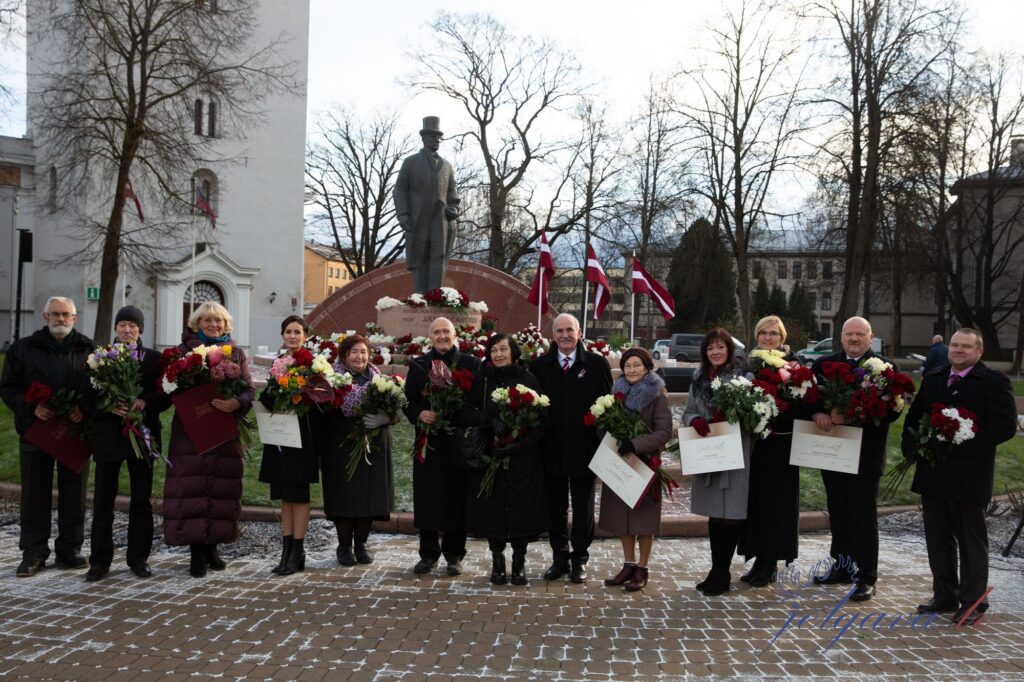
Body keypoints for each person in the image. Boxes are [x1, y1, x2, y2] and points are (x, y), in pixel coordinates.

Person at [902, 328, 1016, 625]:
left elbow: (1005, 426)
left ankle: (974, 601)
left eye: (966, 346)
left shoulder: (993, 382)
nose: (959, 350)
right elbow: (915, 418)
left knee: (970, 542)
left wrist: (967, 444)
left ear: (979, 352)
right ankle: (945, 595)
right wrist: (911, 446)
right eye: (955, 345)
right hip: (934, 473)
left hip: (970, 474)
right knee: (937, 539)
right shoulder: (935, 378)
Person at [0, 296, 92, 577]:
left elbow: (98, 388)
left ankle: (69, 550)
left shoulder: (89, 349)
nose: (60, 319)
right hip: (36, 431)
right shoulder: (23, 349)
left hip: (74, 432)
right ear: (45, 317)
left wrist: (83, 409)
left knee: (74, 493)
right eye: (55, 314)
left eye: (66, 314)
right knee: (34, 494)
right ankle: (33, 552)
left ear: (74, 318)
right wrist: (30, 406)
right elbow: (9, 387)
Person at [810, 316, 899, 601]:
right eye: (849, 334)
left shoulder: (884, 369)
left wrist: (856, 415)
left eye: (861, 334)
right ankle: (842, 567)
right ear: (841, 337)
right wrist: (818, 413)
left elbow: (893, 412)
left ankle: (867, 576)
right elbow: (808, 400)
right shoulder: (823, 365)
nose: (854, 339)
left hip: (865, 455)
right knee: (839, 512)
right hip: (833, 451)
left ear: (870, 338)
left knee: (862, 516)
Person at [162, 302, 255, 578]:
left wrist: (236, 403)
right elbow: (170, 387)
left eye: (219, 321)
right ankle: (196, 553)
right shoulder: (183, 353)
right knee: (192, 489)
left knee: (220, 490)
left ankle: (213, 546)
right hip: (190, 433)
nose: (214, 325)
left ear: (227, 326)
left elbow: (249, 389)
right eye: (207, 321)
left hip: (224, 431)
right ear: (196, 324)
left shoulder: (235, 354)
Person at [85, 306, 169, 581]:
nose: (127, 329)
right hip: (108, 436)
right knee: (103, 500)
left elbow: (166, 395)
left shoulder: (155, 359)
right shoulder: (100, 359)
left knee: (141, 499)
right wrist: (108, 406)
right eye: (122, 324)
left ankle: (138, 558)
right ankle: (99, 561)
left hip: (142, 434)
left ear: (140, 330)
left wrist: (146, 401)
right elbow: (86, 397)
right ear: (116, 328)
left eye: (132, 325)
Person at [530, 313, 613, 583]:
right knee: (556, 507)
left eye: (570, 330)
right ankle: (560, 558)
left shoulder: (597, 365)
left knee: (582, 506)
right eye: (560, 330)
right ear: (552, 335)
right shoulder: (540, 366)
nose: (565, 335)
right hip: (550, 449)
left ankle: (580, 558)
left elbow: (608, 406)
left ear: (579, 333)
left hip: (584, 449)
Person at [462, 333, 547, 586]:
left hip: (521, 457)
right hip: (490, 455)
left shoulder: (528, 378)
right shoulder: (482, 379)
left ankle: (519, 562)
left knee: (521, 510)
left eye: (503, 349)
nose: (498, 354)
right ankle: (498, 561)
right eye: (493, 350)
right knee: (493, 509)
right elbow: (465, 412)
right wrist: (489, 419)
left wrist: (518, 445)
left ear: (513, 352)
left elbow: (542, 423)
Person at [403, 317, 481, 575]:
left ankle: (454, 555)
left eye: (446, 331)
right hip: (429, 442)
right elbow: (409, 400)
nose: (442, 336)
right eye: (437, 332)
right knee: (428, 496)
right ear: (430, 337)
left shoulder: (470, 364)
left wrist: (457, 411)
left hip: (458, 441)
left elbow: (476, 402)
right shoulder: (419, 365)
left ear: (454, 334)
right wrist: (419, 415)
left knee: (456, 497)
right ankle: (428, 554)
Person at [682, 328, 752, 596]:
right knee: (714, 515)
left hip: (734, 452)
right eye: (710, 348)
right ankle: (715, 570)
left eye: (720, 347)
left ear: (729, 350)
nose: (715, 352)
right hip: (707, 451)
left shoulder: (744, 377)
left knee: (730, 514)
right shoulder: (699, 377)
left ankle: (723, 573)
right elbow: (688, 411)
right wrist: (695, 420)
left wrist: (732, 417)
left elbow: (753, 414)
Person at [599, 348, 672, 592]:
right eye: (627, 365)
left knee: (643, 520)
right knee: (623, 517)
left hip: (645, 463)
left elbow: (664, 432)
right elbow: (604, 424)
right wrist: (608, 437)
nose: (631, 370)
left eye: (636, 365)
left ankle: (642, 568)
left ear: (646, 368)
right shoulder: (615, 394)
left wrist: (635, 444)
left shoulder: (657, 396)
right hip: (621, 462)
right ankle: (628, 564)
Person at [740, 315, 804, 587]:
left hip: (782, 444)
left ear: (782, 338)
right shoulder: (748, 363)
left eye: (773, 334)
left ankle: (772, 561)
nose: (768, 338)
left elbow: (803, 402)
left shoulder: (794, 365)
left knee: (777, 506)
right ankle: (759, 558)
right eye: (763, 333)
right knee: (756, 503)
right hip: (756, 446)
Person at [322, 334, 396, 567]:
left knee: (367, 494)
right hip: (340, 443)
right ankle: (344, 546)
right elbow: (322, 409)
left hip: (373, 444)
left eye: (363, 352)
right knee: (344, 495)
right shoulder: (331, 379)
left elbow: (397, 407)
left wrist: (387, 418)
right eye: (354, 352)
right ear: (344, 356)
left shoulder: (379, 379)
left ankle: (361, 544)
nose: (360, 356)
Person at [258, 316, 323, 576]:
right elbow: (267, 398)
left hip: (303, 438)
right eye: (288, 331)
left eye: (297, 332)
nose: (292, 336)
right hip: (280, 437)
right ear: (283, 335)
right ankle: (286, 551)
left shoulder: (315, 365)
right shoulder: (278, 363)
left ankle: (298, 550)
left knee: (299, 493)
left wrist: (301, 396)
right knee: (284, 495)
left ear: (305, 335)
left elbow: (321, 401)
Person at [393, 116, 461, 293]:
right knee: (419, 257)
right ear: (423, 137)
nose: (436, 140)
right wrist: (403, 215)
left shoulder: (447, 166)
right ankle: (420, 298)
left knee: (439, 257)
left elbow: (452, 191)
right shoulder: (410, 162)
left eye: (439, 137)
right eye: (432, 137)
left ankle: (435, 296)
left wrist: (454, 207)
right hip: (418, 218)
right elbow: (400, 190)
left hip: (440, 218)